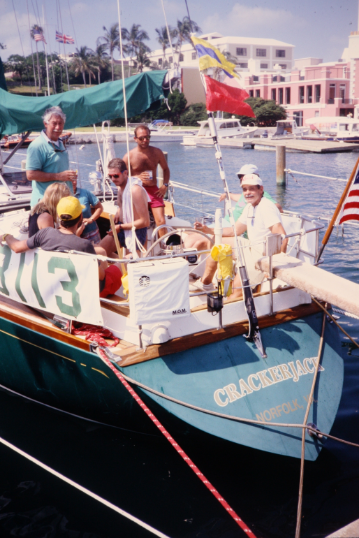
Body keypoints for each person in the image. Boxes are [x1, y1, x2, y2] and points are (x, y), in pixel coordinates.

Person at [3, 197, 122, 299]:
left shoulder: (44, 234)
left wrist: (6, 236)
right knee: (125, 262)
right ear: (80, 217)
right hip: (86, 292)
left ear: (59, 216)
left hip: (55, 288)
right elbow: (101, 276)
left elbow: (16, 247)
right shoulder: (84, 245)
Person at [192, 174, 288, 299]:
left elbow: (283, 237)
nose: (247, 192)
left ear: (261, 189)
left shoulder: (266, 207)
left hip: (262, 255)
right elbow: (234, 231)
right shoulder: (250, 207)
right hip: (249, 246)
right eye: (244, 189)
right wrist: (207, 229)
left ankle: (227, 310)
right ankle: (206, 284)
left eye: (252, 189)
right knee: (218, 244)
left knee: (236, 290)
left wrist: (274, 265)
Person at [123, 124, 170, 238]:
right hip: (136, 190)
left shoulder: (157, 152)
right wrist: (137, 177)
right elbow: (122, 178)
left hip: (154, 190)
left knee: (161, 221)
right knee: (141, 222)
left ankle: (164, 246)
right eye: (141, 138)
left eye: (147, 137)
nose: (145, 140)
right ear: (135, 139)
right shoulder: (129, 156)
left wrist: (165, 185)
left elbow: (165, 169)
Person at [26, 106, 76, 207]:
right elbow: (30, 175)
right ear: (46, 123)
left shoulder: (59, 142)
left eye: (60, 123)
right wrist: (58, 176)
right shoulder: (37, 146)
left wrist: (70, 178)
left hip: (61, 203)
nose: (58, 127)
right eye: (54, 123)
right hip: (45, 204)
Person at [100, 158, 150, 258]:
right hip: (121, 227)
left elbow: (145, 222)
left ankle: (119, 266)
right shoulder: (121, 188)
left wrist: (121, 227)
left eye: (116, 176)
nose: (113, 179)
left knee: (128, 264)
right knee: (98, 251)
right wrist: (119, 211)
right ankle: (118, 264)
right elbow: (123, 205)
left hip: (135, 232)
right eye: (110, 176)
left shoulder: (135, 190)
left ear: (125, 173)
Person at [71, 177, 103, 244]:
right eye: (70, 180)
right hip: (72, 235)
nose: (74, 182)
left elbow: (100, 207)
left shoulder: (85, 193)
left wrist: (91, 219)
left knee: (99, 252)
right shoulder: (63, 196)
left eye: (74, 179)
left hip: (90, 233)